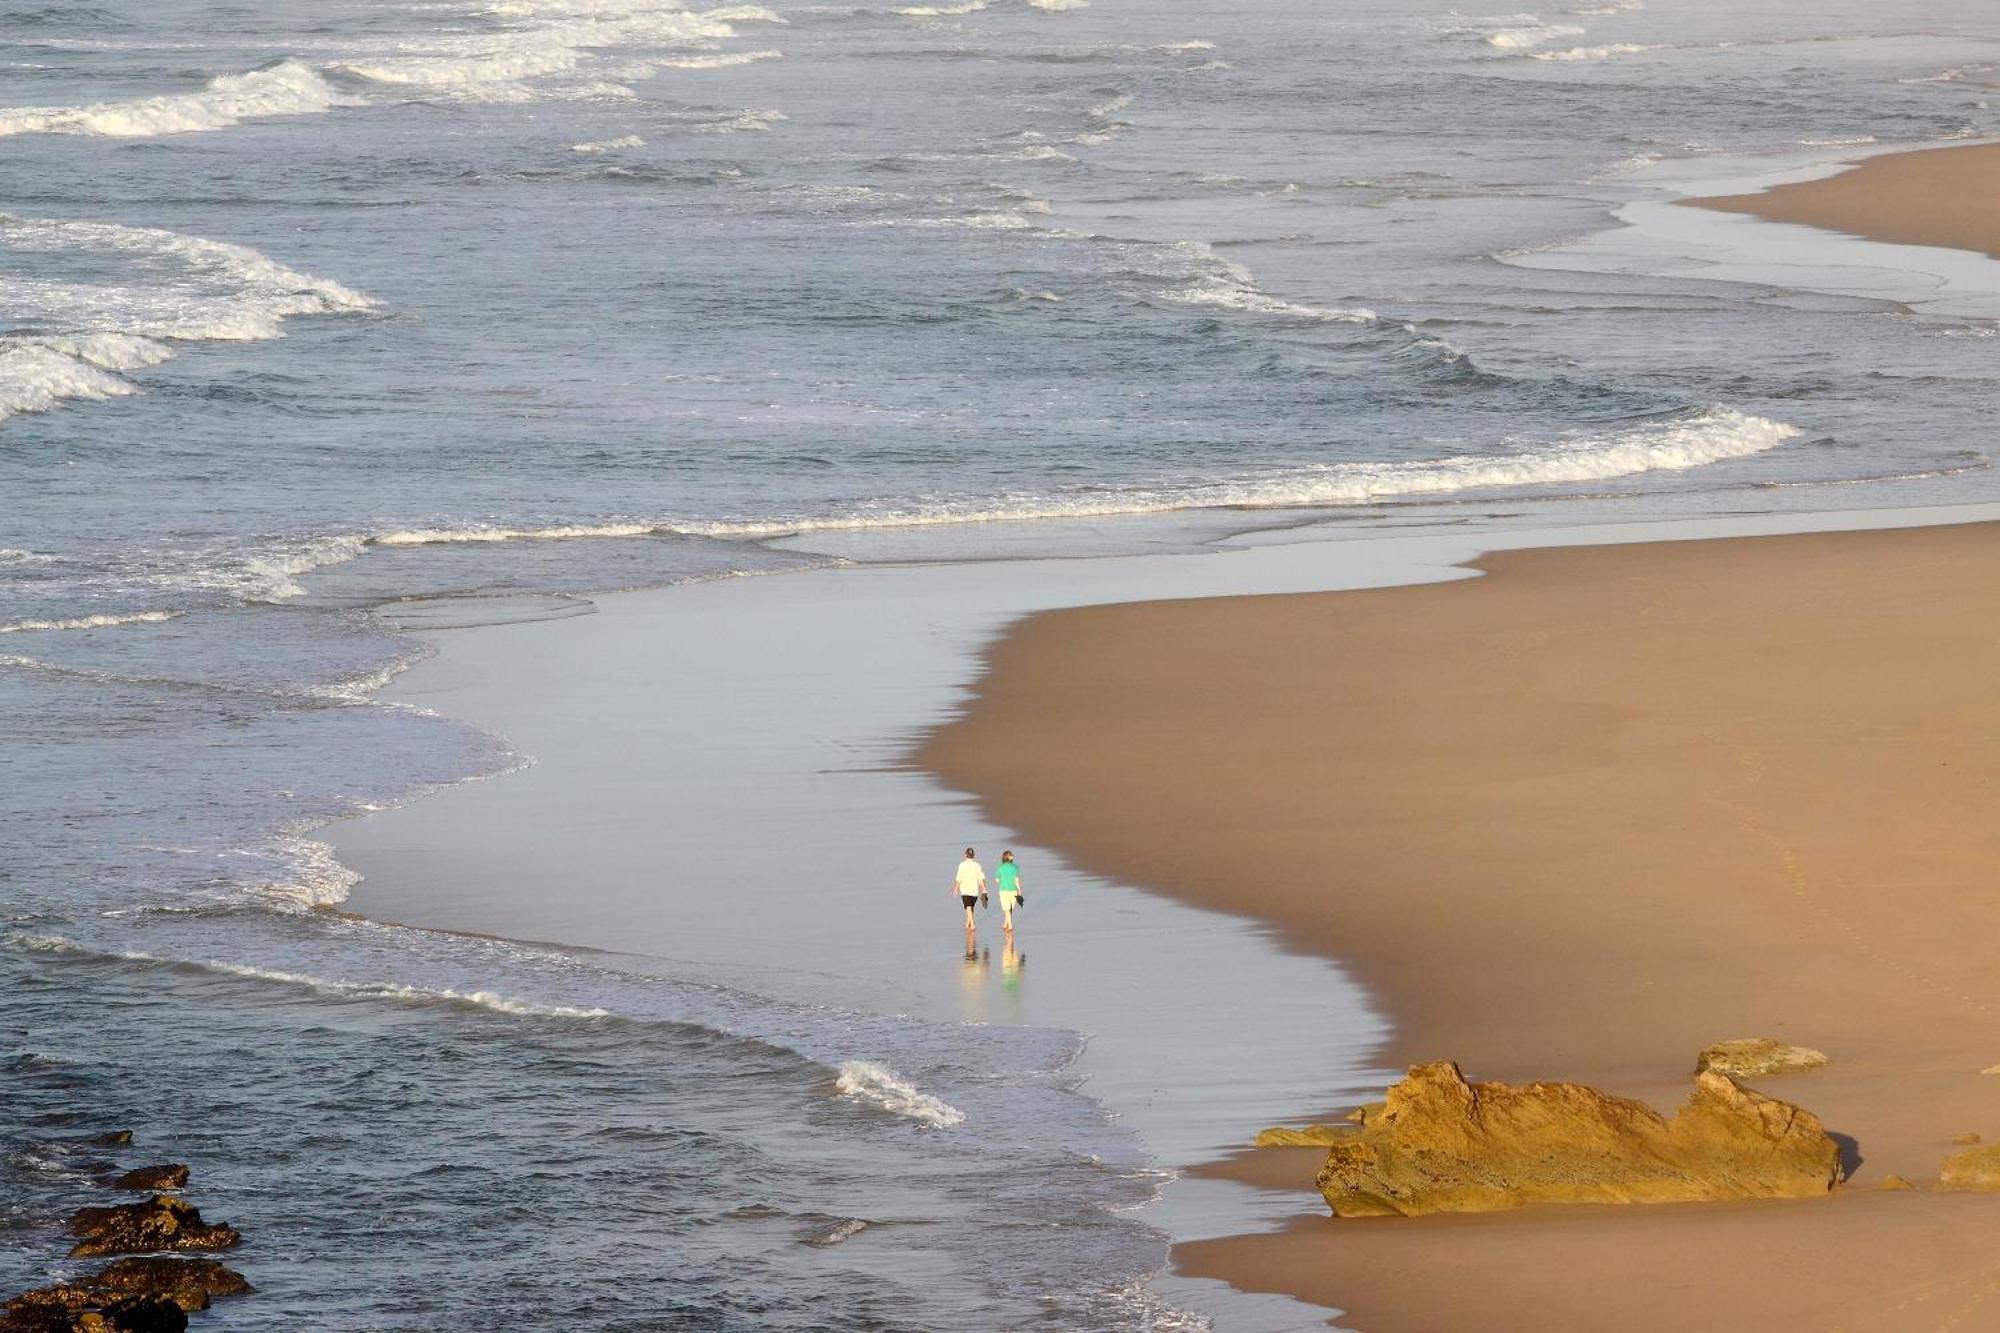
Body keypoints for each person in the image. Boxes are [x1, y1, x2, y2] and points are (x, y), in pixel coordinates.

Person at [954, 847, 985, 939]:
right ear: (973, 856)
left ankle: (972, 924)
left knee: (968, 907)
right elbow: (981, 879)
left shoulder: (962, 865)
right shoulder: (977, 865)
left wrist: (956, 888)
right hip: (974, 891)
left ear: (965, 855)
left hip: (965, 890)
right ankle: (968, 923)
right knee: (970, 907)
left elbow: (959, 878)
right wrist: (983, 889)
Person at [995, 849, 1023, 935]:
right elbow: (1016, 879)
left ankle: (1008, 924)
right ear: (1010, 858)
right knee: (1010, 908)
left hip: (1003, 890)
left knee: (1006, 908)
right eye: (1011, 855)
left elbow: (997, 880)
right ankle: (1008, 924)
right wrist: (1019, 890)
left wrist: (1002, 879)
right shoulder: (1015, 867)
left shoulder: (1000, 867)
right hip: (1013, 890)